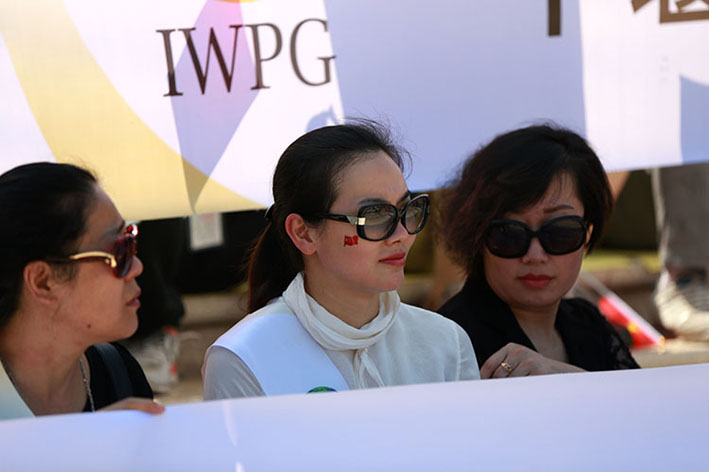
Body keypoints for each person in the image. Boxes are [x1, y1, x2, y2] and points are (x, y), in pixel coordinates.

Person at [203, 122, 479, 399]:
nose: (402, 234)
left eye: (407, 209)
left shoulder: (446, 342)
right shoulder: (243, 358)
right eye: (374, 215)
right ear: (303, 233)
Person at [437, 125, 639, 379]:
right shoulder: (449, 341)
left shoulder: (587, 323)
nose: (535, 255)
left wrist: (567, 376)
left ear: (587, 233)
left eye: (560, 232)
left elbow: (640, 401)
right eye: (509, 234)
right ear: (478, 237)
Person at [0, 162, 164, 417]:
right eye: (120, 250)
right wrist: (86, 437)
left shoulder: (120, 376)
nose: (137, 266)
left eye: (131, 240)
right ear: (43, 281)